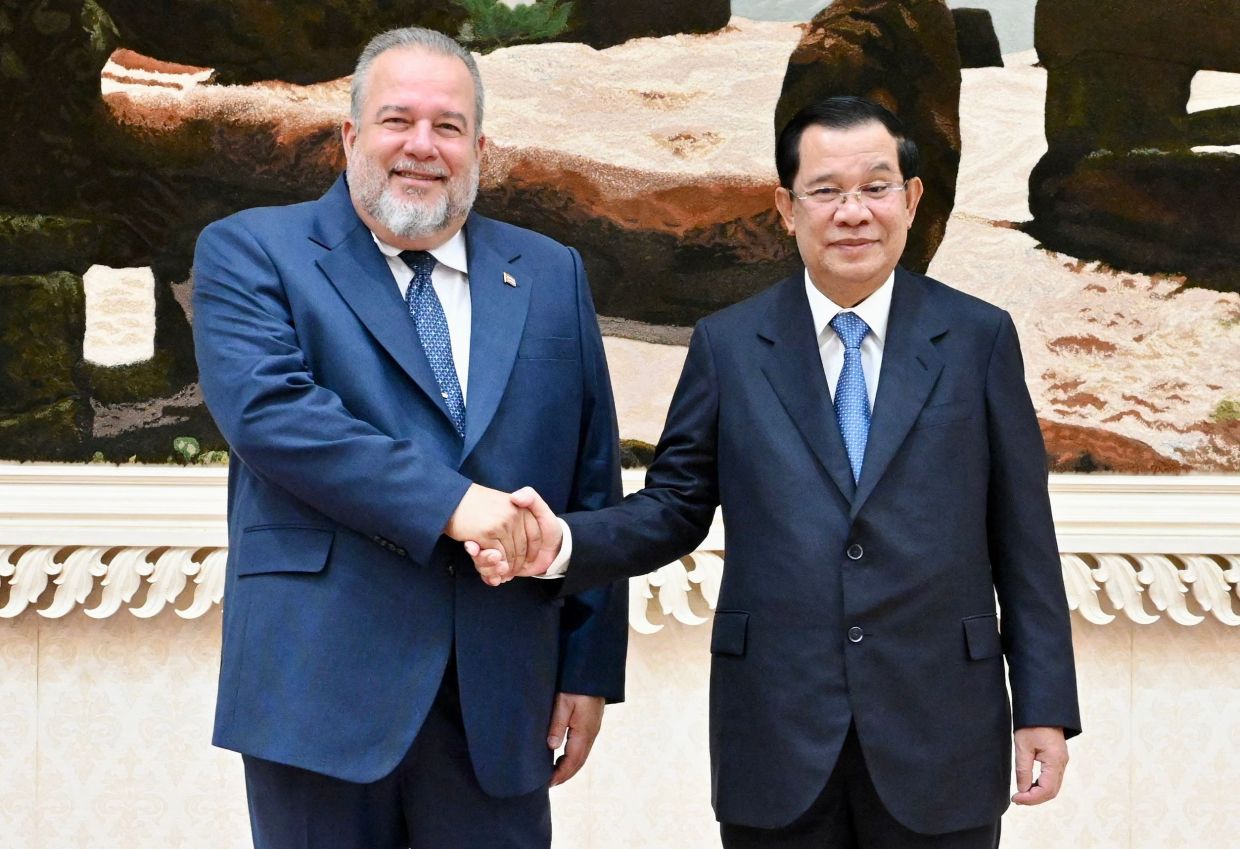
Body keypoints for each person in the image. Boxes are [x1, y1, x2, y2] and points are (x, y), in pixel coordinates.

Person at [469, 96, 1081, 848]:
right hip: (778, 733)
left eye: (876, 187)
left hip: (942, 728)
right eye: (826, 190)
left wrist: (1044, 705)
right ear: (785, 207)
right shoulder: (728, 346)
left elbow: (1023, 535)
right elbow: (674, 506)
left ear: (913, 200)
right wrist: (561, 543)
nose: (852, 212)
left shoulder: (978, 338)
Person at [192, 26, 627, 849]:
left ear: (479, 148)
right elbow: (274, 416)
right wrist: (457, 504)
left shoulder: (551, 272)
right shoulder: (252, 252)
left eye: (448, 126)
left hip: (502, 698)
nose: (421, 146)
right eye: (397, 120)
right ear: (351, 135)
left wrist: (588, 668)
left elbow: (591, 478)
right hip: (319, 692)